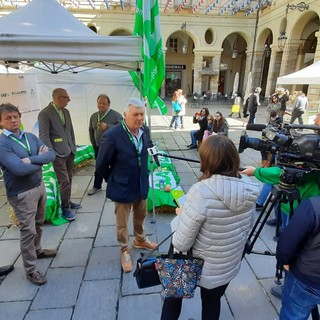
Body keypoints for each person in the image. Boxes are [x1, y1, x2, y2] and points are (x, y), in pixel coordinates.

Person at [160, 135, 259, 320]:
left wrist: (182, 216)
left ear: (206, 161)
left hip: (193, 262)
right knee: (212, 303)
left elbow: (181, 243)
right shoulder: (250, 189)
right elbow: (247, 228)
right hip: (225, 266)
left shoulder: (201, 191)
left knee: (173, 299)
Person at [96, 98, 157, 273]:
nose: (139, 118)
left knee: (140, 215)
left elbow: (147, 149)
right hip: (122, 185)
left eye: (142, 114)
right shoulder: (112, 135)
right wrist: (112, 179)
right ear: (125, 115)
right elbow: (101, 164)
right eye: (135, 114)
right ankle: (124, 249)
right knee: (122, 222)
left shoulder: (144, 130)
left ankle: (140, 239)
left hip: (141, 183)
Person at [0, 103, 57, 285]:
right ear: (1, 122)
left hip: (39, 187)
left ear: (20, 117)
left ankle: (38, 250)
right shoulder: (2, 144)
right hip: (22, 193)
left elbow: (51, 155)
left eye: (15, 116)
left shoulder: (31, 137)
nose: (13, 120)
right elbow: (18, 169)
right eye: (8, 118)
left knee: (39, 224)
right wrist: (40, 161)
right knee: (28, 231)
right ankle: (31, 270)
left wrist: (30, 160)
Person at [38, 88, 80, 221]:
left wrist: (73, 146)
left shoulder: (66, 112)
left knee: (70, 178)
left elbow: (70, 131)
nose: (69, 100)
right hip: (58, 154)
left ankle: (67, 200)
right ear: (57, 98)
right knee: (64, 181)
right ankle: (65, 208)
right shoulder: (45, 113)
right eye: (66, 98)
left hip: (69, 151)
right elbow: (44, 136)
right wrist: (52, 153)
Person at [276, 196, 320, 320]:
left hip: (307, 278)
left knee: (293, 315)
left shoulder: (313, 206)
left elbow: (287, 244)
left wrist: (285, 261)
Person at [88, 94, 123, 195]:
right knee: (99, 167)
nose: (101, 105)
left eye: (104, 103)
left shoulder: (116, 115)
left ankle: (115, 185)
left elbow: (122, 129)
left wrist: (107, 126)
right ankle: (96, 186)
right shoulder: (94, 116)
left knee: (114, 166)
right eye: (99, 103)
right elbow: (91, 130)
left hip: (113, 147)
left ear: (109, 104)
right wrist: (94, 144)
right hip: (98, 147)